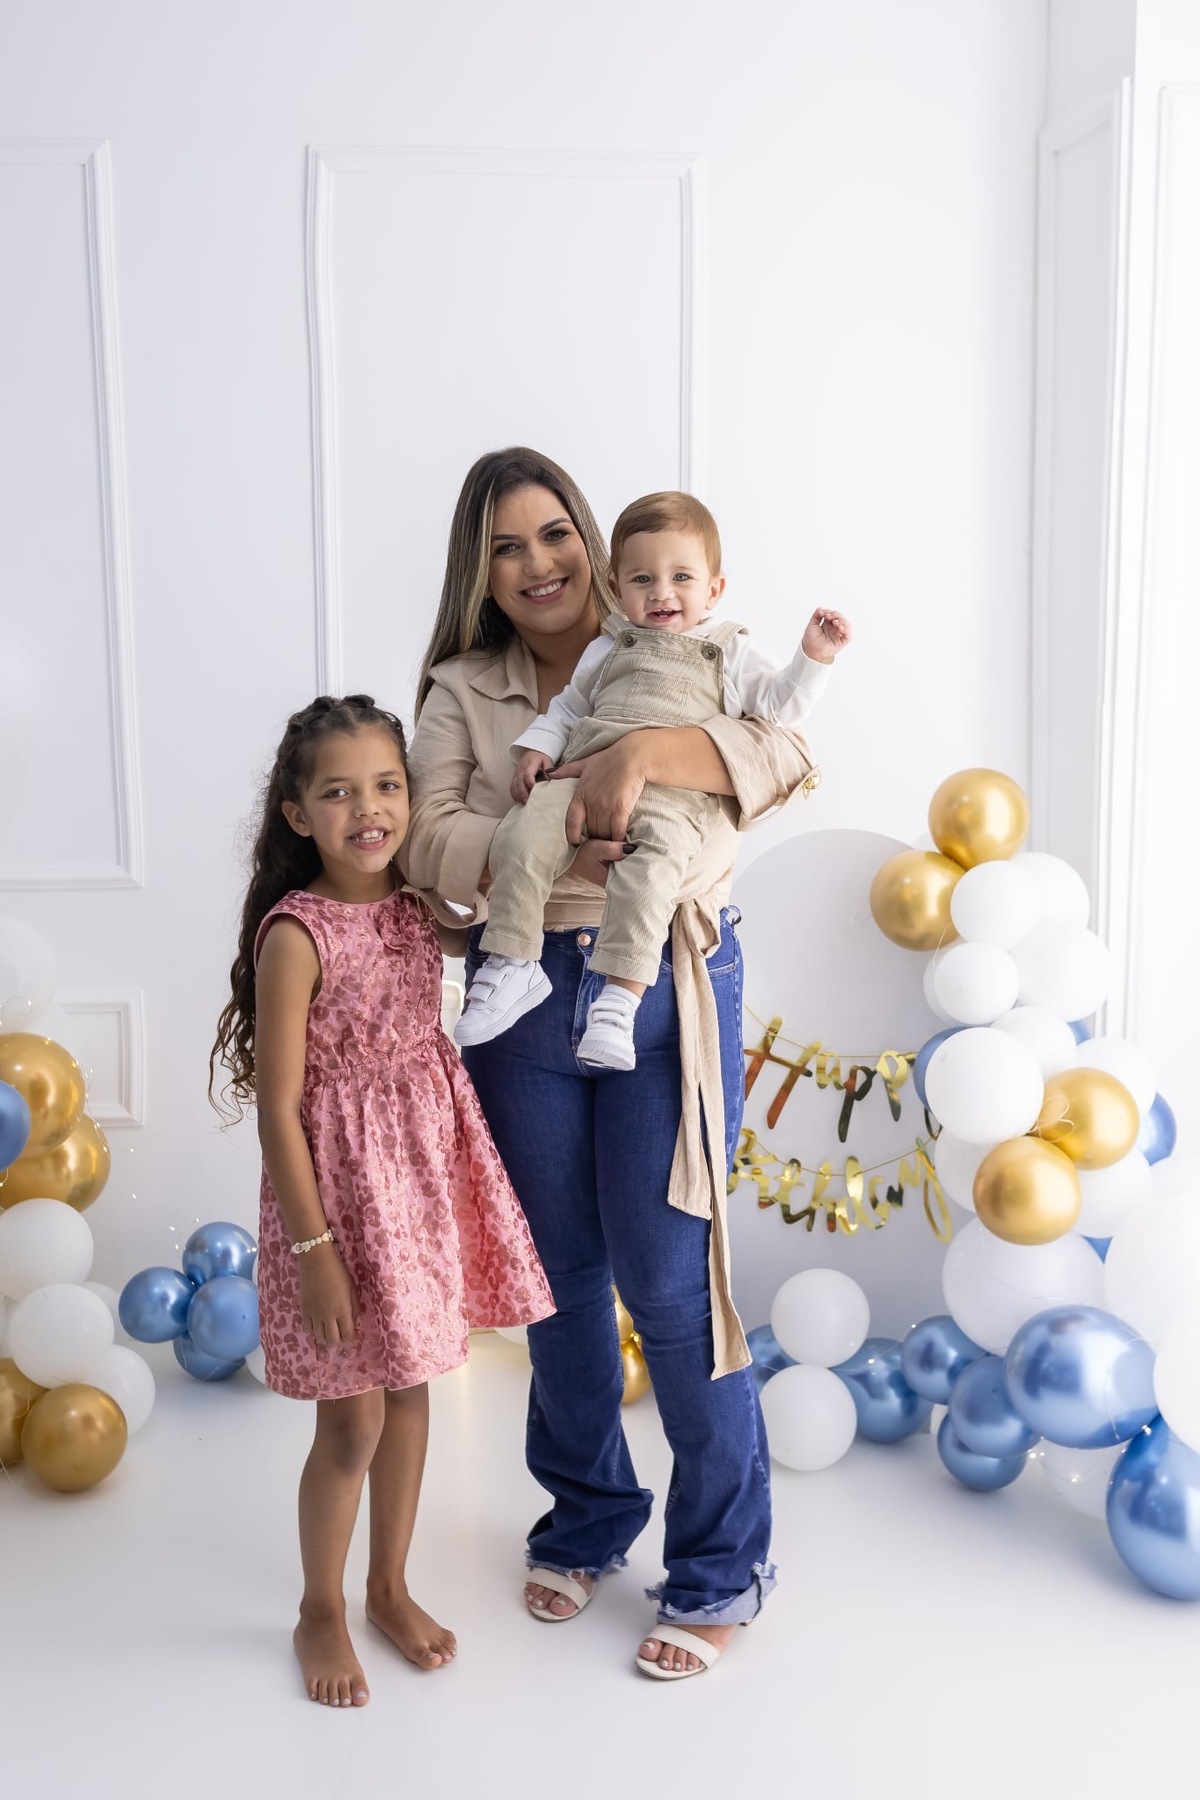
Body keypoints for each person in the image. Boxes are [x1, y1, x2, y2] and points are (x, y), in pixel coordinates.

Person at [403, 448, 833, 1681]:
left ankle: (718, 1568)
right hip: (520, 1002)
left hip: (669, 993)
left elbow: (786, 757)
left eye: (552, 535)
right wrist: (616, 794)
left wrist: (636, 764)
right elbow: (430, 837)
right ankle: (587, 1518)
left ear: (589, 541)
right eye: (505, 546)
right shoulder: (461, 688)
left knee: (671, 1280)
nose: (537, 563)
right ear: (478, 571)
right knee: (560, 1286)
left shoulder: (679, 623)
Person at [209, 693, 553, 1709]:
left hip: (419, 1190)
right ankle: (321, 1605)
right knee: (351, 1422)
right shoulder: (296, 934)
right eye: (340, 791)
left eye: (389, 786)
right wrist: (315, 1249)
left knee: (414, 1393)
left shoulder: (414, 910)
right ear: (296, 815)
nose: (370, 808)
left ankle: (389, 1586)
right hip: (338, 1207)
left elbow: (503, 884)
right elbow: (277, 1111)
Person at [454, 490, 850, 1069]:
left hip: (672, 798)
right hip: (577, 779)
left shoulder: (728, 651)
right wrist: (537, 750)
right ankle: (514, 961)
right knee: (520, 832)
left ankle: (620, 998)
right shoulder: (610, 646)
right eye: (642, 578)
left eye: (681, 576)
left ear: (714, 589)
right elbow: (569, 708)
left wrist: (813, 659)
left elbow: (778, 712)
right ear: (617, 587)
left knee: (652, 869)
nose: (661, 592)